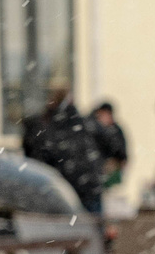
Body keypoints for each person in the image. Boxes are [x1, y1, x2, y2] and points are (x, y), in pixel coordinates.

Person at [20, 83, 105, 211]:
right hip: (88, 185)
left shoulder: (48, 127)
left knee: (67, 225)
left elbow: (40, 160)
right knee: (92, 224)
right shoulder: (81, 123)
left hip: (68, 186)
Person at [89, 100, 129, 202]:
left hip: (112, 174)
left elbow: (121, 152)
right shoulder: (95, 130)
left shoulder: (115, 131)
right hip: (98, 173)